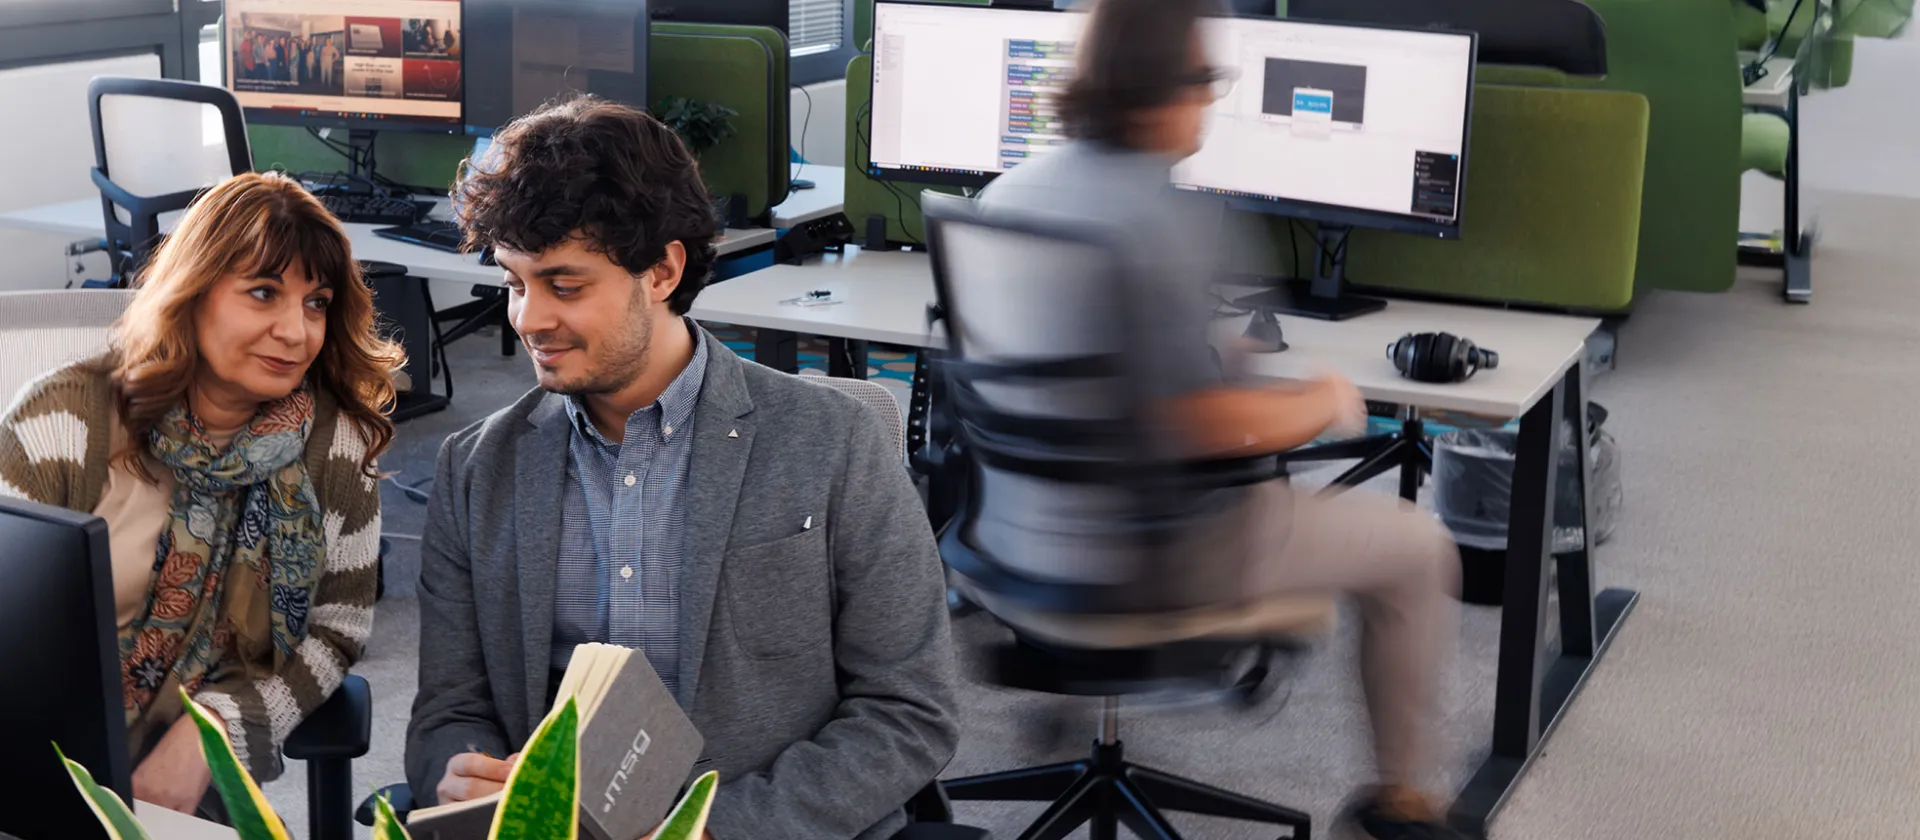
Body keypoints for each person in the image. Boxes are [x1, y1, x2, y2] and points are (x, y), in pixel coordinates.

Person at [403, 95, 959, 840]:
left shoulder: (834, 442)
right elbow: (449, 710)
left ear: (661, 269)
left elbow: (909, 711)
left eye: (564, 285)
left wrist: (712, 830)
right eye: (514, 283)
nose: (528, 319)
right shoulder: (477, 469)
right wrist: (458, 766)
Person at [974, 0, 1464, 838]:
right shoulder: (1157, 219)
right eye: (1204, 80)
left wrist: (1209, 353)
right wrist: (1317, 401)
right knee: (1417, 548)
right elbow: (1192, 426)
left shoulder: (1008, 191)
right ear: (1155, 88)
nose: (1211, 101)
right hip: (1156, 553)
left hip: (1018, 541)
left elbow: (1076, 376)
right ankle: (1401, 806)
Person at [0, 173, 403, 818]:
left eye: (316, 303)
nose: (295, 333)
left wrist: (215, 730)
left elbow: (336, 633)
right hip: (27, 758)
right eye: (264, 293)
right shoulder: (64, 423)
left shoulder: (336, 444)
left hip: (189, 787)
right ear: (193, 294)